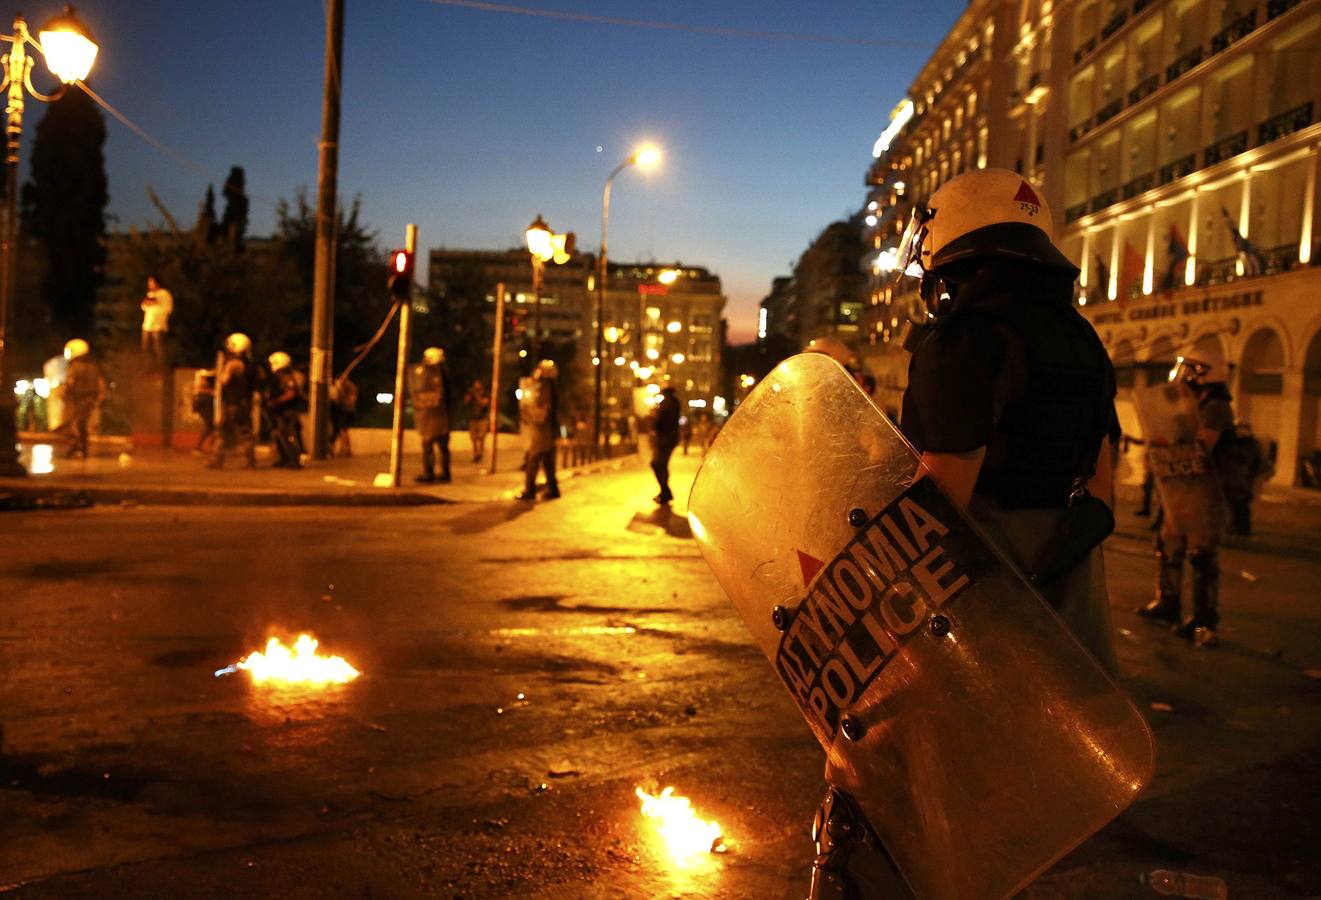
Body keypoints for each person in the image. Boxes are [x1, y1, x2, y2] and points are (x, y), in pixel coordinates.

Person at [896, 168, 1119, 672]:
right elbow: (1103, 492)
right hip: (1072, 595)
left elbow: (939, 503)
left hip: (978, 606)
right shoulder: (1085, 340)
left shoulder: (963, 341)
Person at [1137, 345, 1236, 645]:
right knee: (1168, 543)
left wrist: (1171, 447)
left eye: (1191, 370)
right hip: (1182, 486)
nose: (1186, 376)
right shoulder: (1196, 401)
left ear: (1204, 373)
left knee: (1201, 553)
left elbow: (1203, 445)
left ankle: (1204, 618)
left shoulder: (1216, 406)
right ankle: (1169, 601)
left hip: (1205, 489)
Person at [208, 333, 257, 469]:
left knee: (225, 432)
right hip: (244, 402)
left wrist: (220, 370)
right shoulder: (249, 365)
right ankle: (249, 461)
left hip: (233, 403)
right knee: (244, 431)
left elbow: (224, 380)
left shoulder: (233, 364)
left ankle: (217, 460)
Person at [517, 360, 560, 501]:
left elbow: (543, 409)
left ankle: (530, 491)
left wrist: (531, 415)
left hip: (541, 430)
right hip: (546, 430)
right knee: (547, 461)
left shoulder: (545, 386)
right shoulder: (551, 387)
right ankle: (553, 489)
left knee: (532, 459)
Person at [410, 347, 452, 483]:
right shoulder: (444, 373)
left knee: (429, 446)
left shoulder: (435, 374)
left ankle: (430, 474)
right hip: (441, 416)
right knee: (442, 447)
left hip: (432, 415)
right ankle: (444, 474)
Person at [62, 339, 104, 460]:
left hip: (80, 399)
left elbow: (70, 382)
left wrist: (65, 395)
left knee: (77, 424)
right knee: (82, 424)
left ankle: (75, 448)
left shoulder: (75, 366)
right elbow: (99, 383)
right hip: (90, 399)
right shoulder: (93, 366)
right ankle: (82, 449)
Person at [266, 351, 307, 469]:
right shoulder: (280, 377)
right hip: (281, 412)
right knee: (278, 435)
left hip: (288, 412)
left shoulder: (288, 378)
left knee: (286, 436)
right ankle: (284, 460)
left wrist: (275, 402)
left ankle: (294, 462)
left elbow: (291, 394)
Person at [651, 386, 681, 505]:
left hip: (665, 438)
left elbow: (660, 420)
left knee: (658, 464)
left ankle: (666, 491)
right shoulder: (675, 403)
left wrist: (654, 415)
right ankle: (664, 492)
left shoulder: (666, 404)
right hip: (670, 437)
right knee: (661, 464)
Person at [140, 276, 173, 368]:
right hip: (147, 326)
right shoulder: (150, 294)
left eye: (151, 282)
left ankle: (160, 368)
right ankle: (148, 368)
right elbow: (144, 307)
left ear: (157, 283)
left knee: (159, 350)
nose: (150, 285)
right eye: (149, 283)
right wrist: (146, 303)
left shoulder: (165, 294)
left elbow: (168, 310)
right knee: (146, 349)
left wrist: (156, 303)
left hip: (158, 326)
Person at [329, 375, 357, 458]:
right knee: (343, 430)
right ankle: (345, 449)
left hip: (345, 410)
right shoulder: (348, 386)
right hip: (345, 410)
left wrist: (340, 389)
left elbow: (349, 400)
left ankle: (345, 450)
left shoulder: (348, 387)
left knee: (343, 430)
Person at [464, 379, 491, 463]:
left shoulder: (484, 393)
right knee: (474, 438)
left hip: (482, 418)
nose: (477, 386)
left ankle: (481, 453)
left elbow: (485, 403)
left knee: (481, 437)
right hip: (473, 418)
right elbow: (466, 402)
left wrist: (477, 397)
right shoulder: (471, 393)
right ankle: (476, 453)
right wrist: (470, 395)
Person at [192, 368, 217, 454]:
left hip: (207, 404)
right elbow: (201, 390)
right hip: (204, 404)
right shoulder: (202, 375)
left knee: (212, 425)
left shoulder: (203, 376)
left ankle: (211, 445)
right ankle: (198, 447)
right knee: (210, 426)